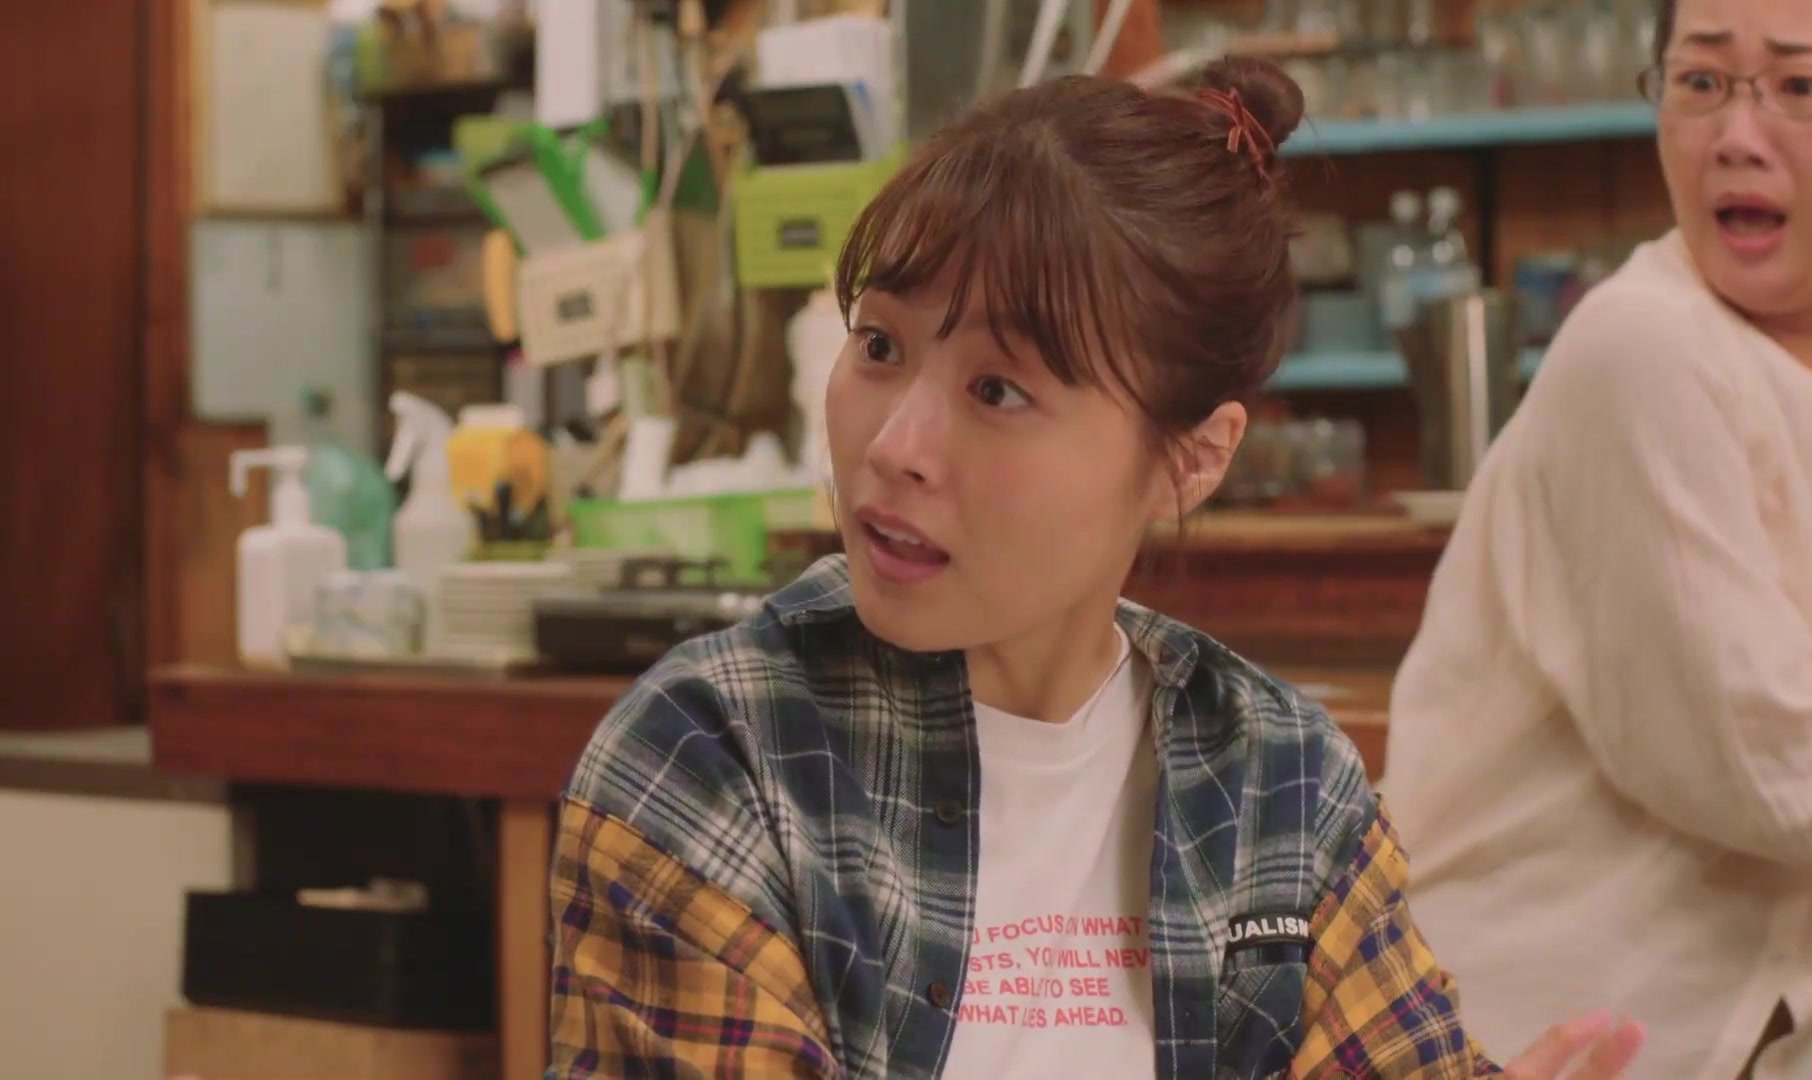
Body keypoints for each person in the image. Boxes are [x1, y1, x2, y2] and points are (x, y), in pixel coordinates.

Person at [549, 61, 1642, 1078]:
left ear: (1190, 459)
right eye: (879, 345)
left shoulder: (1279, 783)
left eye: (997, 391)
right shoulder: (717, 756)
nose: (894, 446)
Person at [1382, 0, 1812, 1075]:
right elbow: (1767, 766)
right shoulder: (1644, 350)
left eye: (1801, 87)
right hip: (1529, 1037)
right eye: (1701, 82)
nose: (1736, 135)